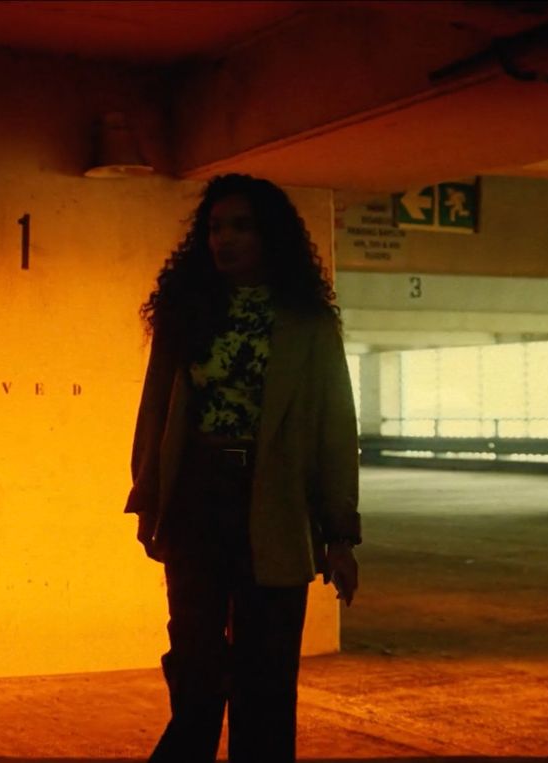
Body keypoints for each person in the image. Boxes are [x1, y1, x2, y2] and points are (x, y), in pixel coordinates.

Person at [126, 173, 361, 763]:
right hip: (197, 499)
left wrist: (339, 535)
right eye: (214, 227)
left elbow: (335, 429)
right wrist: (147, 499)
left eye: (240, 226)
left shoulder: (307, 325)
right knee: (197, 668)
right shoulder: (188, 313)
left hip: (276, 502)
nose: (223, 239)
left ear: (270, 236)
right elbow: (155, 412)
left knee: (267, 676)